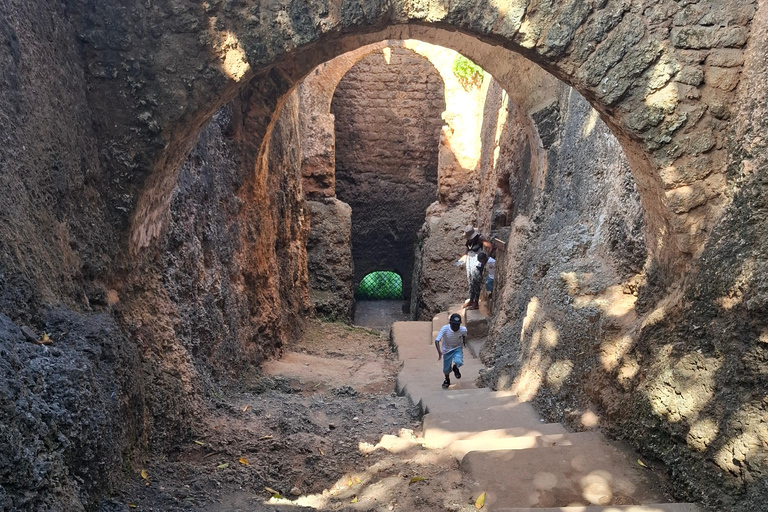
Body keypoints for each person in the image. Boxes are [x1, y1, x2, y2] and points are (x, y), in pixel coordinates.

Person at [457, 225, 493, 310]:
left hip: (477, 262)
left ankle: (476, 303)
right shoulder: (469, 240)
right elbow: (467, 251)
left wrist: (486, 259)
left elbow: (491, 246)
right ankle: (471, 300)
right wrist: (462, 260)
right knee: (470, 281)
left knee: (476, 282)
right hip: (470, 261)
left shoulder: (479, 238)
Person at [435, 313, 467, 389]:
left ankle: (455, 367)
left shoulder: (463, 330)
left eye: (457, 325)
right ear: (450, 323)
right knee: (446, 369)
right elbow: (437, 340)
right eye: (454, 325)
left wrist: (464, 343)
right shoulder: (445, 329)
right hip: (447, 350)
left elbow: (464, 335)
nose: (456, 327)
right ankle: (447, 379)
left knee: (459, 361)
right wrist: (439, 352)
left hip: (457, 348)